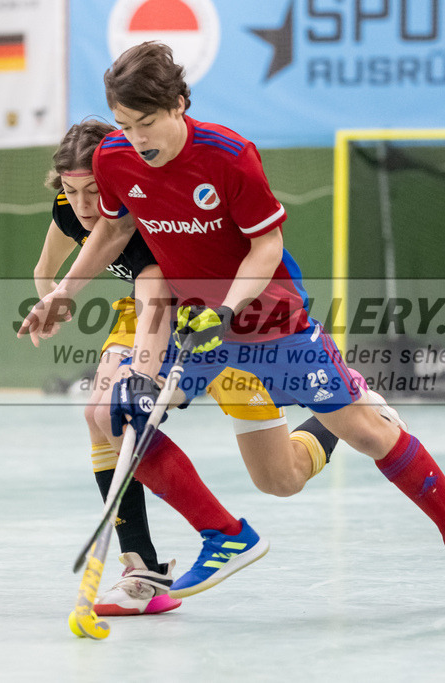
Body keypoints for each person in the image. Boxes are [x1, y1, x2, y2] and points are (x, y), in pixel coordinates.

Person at [23, 42, 445, 616]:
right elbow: (112, 231)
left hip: (269, 318)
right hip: (194, 323)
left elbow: (267, 245)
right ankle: (225, 536)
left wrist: (228, 309)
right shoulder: (114, 158)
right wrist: (63, 292)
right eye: (126, 125)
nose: (137, 139)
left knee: (360, 437)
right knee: (120, 412)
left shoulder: (229, 156)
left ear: (179, 104)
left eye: (147, 123)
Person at [30, 119, 355, 615]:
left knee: (280, 478)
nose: (85, 206)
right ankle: (145, 570)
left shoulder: (139, 213)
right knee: (103, 412)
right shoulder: (71, 208)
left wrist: (142, 376)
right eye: (72, 192)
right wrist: (54, 299)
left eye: (94, 190)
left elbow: (156, 296)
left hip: (216, 321)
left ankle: (343, 414)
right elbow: (45, 269)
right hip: (147, 312)